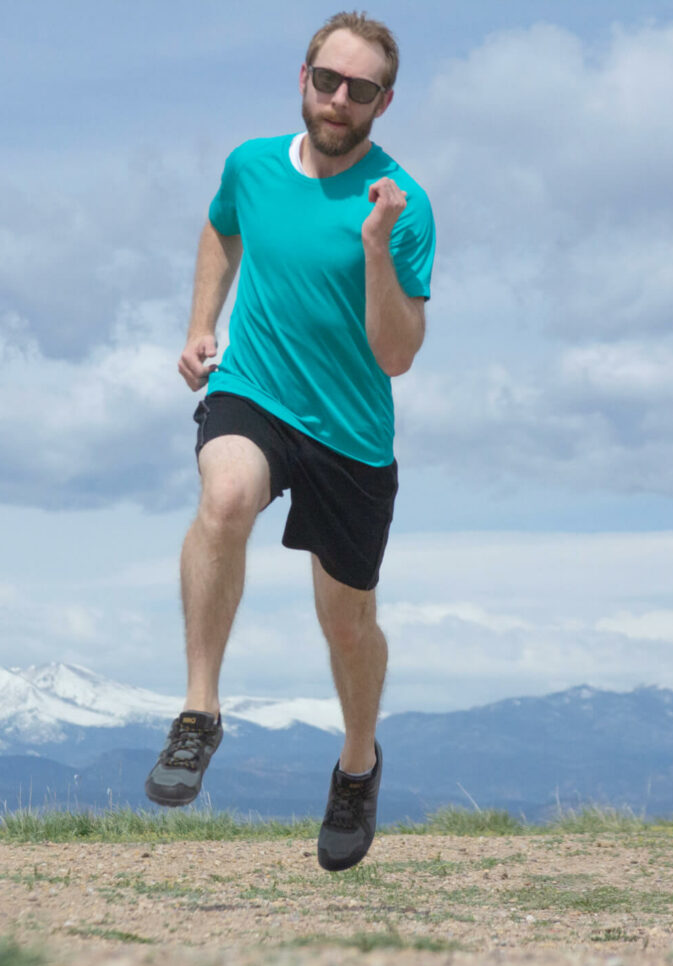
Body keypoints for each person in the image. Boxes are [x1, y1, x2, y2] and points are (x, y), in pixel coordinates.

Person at [145, 11, 435, 871]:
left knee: (346, 625)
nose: (339, 100)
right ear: (302, 76)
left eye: (362, 89)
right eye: (328, 80)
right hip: (255, 389)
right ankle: (200, 710)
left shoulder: (403, 203)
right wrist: (202, 324)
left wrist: (376, 248)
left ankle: (356, 764)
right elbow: (221, 226)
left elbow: (397, 354)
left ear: (385, 102)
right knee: (224, 495)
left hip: (350, 432)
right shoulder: (252, 164)